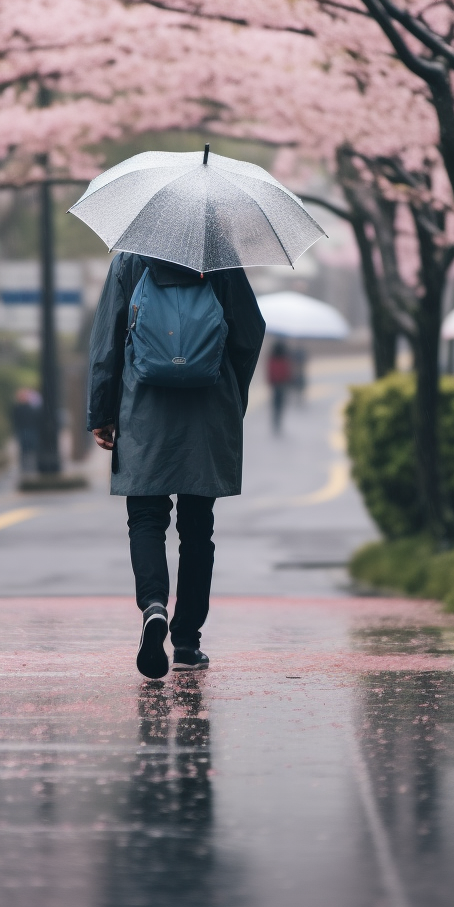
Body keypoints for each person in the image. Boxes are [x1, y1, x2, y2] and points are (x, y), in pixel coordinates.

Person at [87, 249, 267, 679]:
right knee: (197, 526)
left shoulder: (130, 259)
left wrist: (101, 413)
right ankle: (187, 642)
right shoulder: (221, 259)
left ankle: (153, 606)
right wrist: (231, 395)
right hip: (207, 410)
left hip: (144, 408)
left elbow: (107, 342)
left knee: (146, 518)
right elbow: (249, 333)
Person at [266, 335, 296, 431]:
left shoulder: (272, 355)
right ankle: (278, 421)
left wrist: (270, 380)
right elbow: (288, 370)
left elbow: (270, 370)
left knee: (275, 402)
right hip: (282, 383)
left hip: (275, 383)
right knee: (281, 403)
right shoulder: (285, 355)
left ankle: (275, 420)